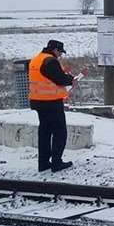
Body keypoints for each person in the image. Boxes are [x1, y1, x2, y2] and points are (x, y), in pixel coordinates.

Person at [28, 40, 84, 173]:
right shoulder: (50, 61)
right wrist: (71, 80)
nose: (60, 55)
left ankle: (43, 163)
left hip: (37, 100)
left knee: (45, 132)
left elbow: (46, 77)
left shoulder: (36, 59)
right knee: (60, 132)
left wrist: (66, 76)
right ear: (55, 50)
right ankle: (56, 163)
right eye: (60, 52)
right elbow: (58, 78)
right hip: (51, 101)